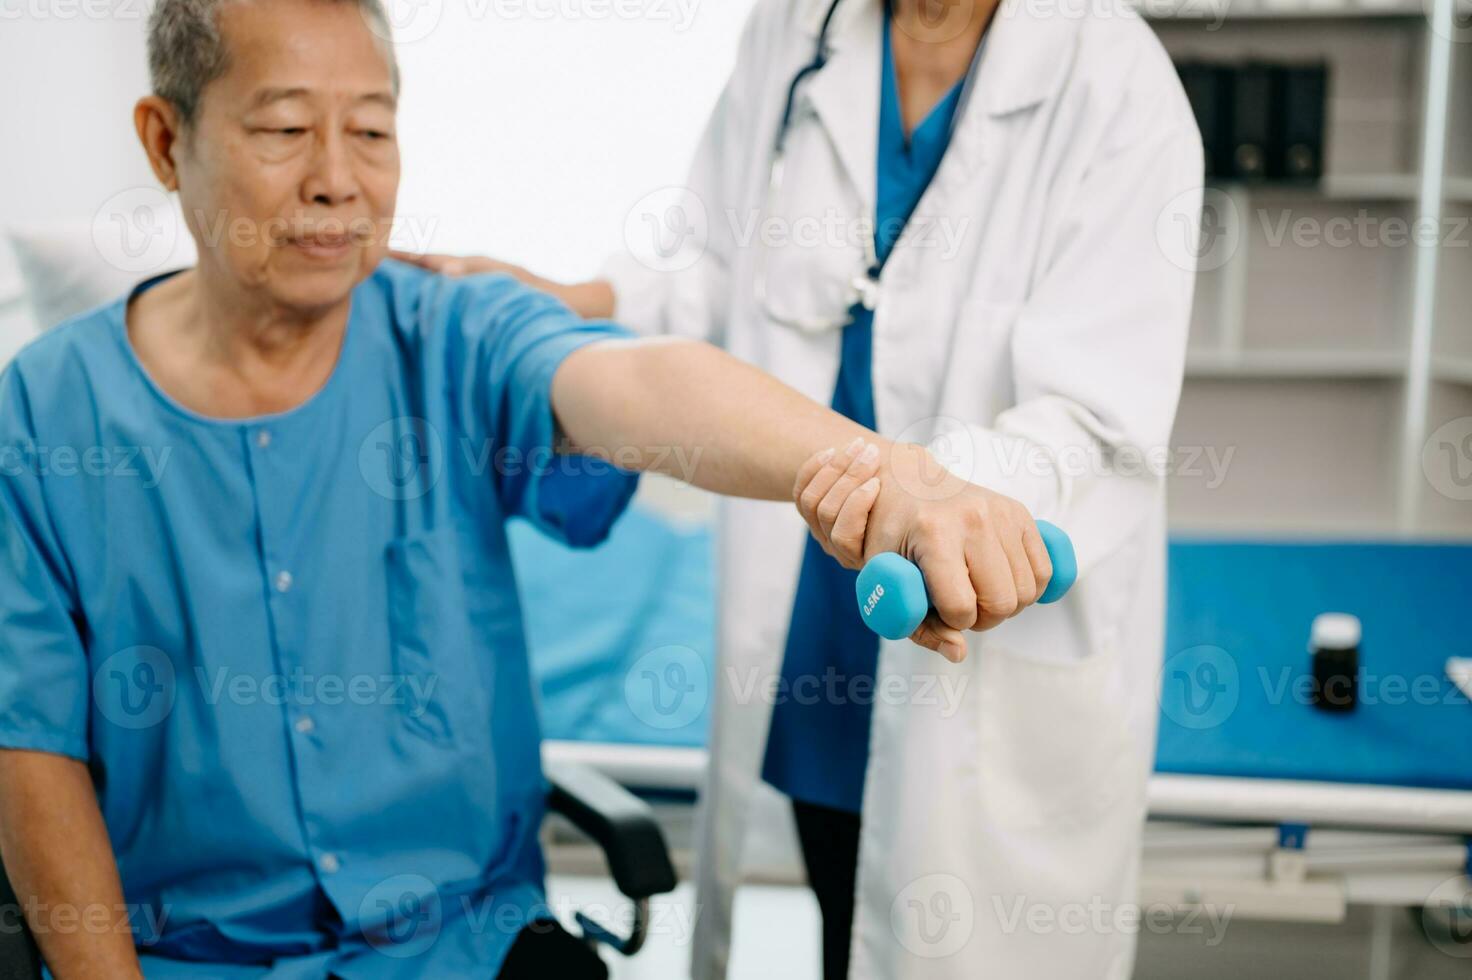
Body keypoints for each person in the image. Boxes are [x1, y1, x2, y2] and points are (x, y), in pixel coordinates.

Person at [0, 0, 1058, 977]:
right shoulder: (47, 416)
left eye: (370, 131)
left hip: (465, 947)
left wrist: (892, 477)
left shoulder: (448, 330)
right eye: (283, 130)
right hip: (195, 957)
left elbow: (641, 382)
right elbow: (30, 750)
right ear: (164, 140)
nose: (337, 178)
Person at [395, 0, 1204, 975]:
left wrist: (933, 503)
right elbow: (707, 268)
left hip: (969, 601)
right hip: (827, 596)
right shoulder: (797, 32)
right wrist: (574, 301)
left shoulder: (1114, 84)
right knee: (839, 901)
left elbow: (1093, 419)